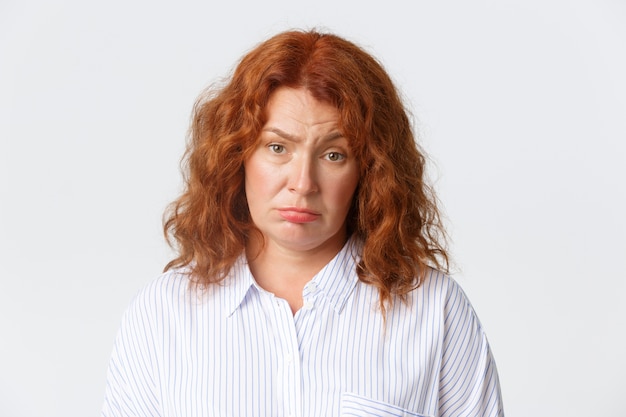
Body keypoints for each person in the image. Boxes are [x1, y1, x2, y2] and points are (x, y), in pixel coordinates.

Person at [102, 29, 504, 417]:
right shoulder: (162, 315)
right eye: (278, 148)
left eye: (334, 155)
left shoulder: (436, 310)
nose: (303, 184)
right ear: (237, 157)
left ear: (370, 170)